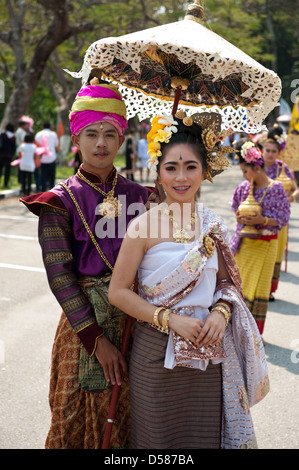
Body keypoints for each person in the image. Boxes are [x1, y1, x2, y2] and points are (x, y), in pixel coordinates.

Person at [108, 111, 270, 449]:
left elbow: (227, 286)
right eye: (171, 168)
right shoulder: (143, 226)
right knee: (157, 443)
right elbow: (118, 292)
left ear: (204, 170)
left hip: (207, 358)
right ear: (158, 171)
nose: (181, 178)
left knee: (203, 439)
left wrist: (220, 313)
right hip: (154, 354)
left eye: (190, 167)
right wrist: (169, 320)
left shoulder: (213, 224)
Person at [20, 77, 148, 449]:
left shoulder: (143, 196)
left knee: (131, 423)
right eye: (92, 133)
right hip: (83, 332)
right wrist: (96, 342)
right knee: (75, 419)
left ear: (122, 140)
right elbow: (61, 278)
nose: (102, 143)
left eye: (110, 133)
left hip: (136, 326)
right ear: (75, 139)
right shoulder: (58, 201)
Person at [230, 141, 290, 335]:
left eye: (245, 171)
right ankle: (235, 333)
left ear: (256, 168)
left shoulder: (276, 188)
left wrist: (262, 219)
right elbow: (235, 208)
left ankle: (253, 336)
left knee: (259, 291)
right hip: (245, 244)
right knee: (240, 287)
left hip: (266, 245)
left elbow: (283, 218)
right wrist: (240, 216)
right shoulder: (243, 187)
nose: (244, 176)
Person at [262, 126, 299, 299]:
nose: (270, 154)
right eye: (267, 150)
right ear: (262, 150)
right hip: (258, 217)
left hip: (278, 220)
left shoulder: (282, 168)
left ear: (278, 152)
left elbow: (295, 189)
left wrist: (289, 199)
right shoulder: (256, 167)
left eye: (273, 151)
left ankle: (268, 290)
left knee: (273, 254)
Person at [35, 121, 59, 191]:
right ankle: (52, 190)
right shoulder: (53, 134)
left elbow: (36, 146)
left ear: (43, 126)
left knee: (43, 175)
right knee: (52, 175)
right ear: (50, 127)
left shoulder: (38, 134)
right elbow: (56, 144)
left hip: (42, 158)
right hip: (52, 157)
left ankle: (43, 190)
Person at [0, 123, 16, 188]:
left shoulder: (3, 135)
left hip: (1, 155)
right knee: (7, 170)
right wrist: (12, 154)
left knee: (0, 169)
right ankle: (6, 183)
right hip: (9, 156)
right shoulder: (13, 137)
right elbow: (14, 147)